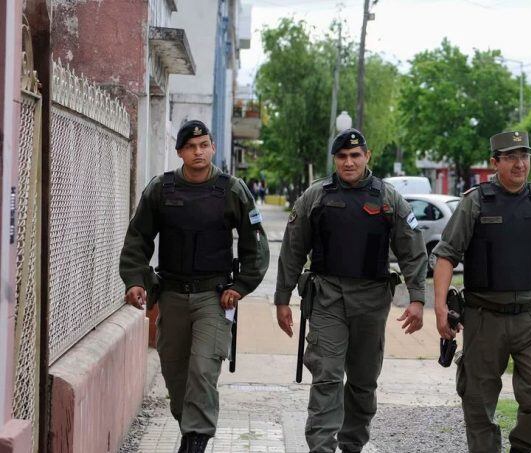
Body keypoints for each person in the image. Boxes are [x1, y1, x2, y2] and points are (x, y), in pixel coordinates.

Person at [119, 120, 270, 453]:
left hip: (214, 299)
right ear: (180, 152)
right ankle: (190, 427)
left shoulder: (232, 190)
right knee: (175, 373)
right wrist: (135, 279)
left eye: (204, 145)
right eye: (191, 146)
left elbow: (255, 243)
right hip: (171, 295)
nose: (198, 152)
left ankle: (194, 441)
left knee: (203, 369)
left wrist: (241, 286)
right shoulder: (161, 189)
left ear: (213, 147)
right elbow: (138, 238)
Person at [274, 128, 427, 453]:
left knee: (362, 382)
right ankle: (322, 448)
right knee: (327, 375)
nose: (349, 162)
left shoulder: (388, 198)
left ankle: (352, 445)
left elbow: (412, 249)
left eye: (355, 155)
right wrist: (282, 298)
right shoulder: (316, 197)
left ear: (367, 156)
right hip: (327, 297)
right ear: (335, 159)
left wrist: (417, 298)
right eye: (342, 156)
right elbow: (292, 248)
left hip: (372, 302)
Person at [432, 131, 531, 453]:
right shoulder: (476, 201)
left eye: (524, 156)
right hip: (484, 318)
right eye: (510, 157)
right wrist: (440, 307)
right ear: (494, 163)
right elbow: (446, 255)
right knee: (478, 399)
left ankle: (522, 447)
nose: (519, 163)